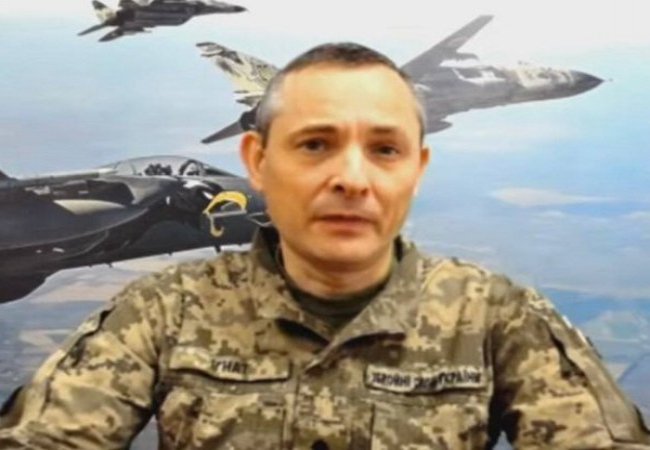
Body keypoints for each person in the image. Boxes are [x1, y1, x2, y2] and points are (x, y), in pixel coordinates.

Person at [1, 42, 648, 450]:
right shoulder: (158, 316)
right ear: (258, 162)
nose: (348, 178)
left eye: (384, 149)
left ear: (418, 167)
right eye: (314, 145)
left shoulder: (501, 320)